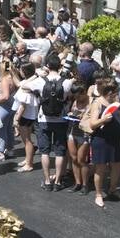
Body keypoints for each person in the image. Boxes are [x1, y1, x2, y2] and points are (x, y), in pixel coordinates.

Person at [20, 54, 71, 190]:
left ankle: (47, 181)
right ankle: (58, 181)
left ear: (47, 66)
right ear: (60, 66)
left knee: (45, 152)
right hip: (61, 119)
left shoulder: (40, 81)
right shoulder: (67, 82)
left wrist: (37, 76)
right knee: (60, 152)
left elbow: (23, 86)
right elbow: (70, 96)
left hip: (44, 119)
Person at [83, 78, 120, 209]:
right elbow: (93, 123)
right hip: (101, 140)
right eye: (116, 92)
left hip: (114, 139)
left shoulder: (115, 102)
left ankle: (113, 190)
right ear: (110, 92)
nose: (117, 94)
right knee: (100, 168)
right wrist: (103, 120)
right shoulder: (98, 103)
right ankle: (99, 194)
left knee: (117, 165)